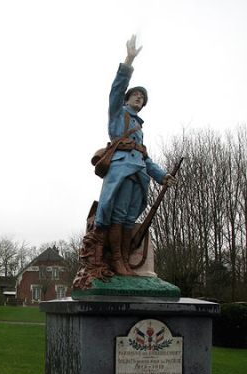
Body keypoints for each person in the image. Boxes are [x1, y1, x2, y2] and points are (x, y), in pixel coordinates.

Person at [93, 35, 176, 276]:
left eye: (143, 98)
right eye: (136, 95)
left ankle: (125, 260)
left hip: (139, 175)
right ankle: (117, 260)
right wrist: (129, 59)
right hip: (121, 171)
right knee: (117, 214)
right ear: (127, 99)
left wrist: (162, 176)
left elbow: (145, 158)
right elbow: (116, 88)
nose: (139, 98)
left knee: (129, 217)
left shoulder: (140, 128)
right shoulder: (118, 113)